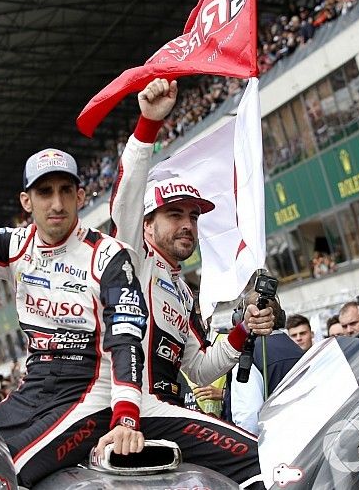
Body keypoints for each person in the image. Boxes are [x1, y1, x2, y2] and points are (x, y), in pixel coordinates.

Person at [0, 133, 150, 486]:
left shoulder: (108, 254)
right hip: (32, 390)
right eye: (44, 192)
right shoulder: (14, 246)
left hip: (88, 393)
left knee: (5, 473)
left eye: (65, 190)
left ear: (80, 196)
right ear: (27, 201)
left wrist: (126, 415)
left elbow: (127, 336)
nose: (57, 203)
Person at [109, 78, 273, 486]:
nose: (188, 225)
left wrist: (243, 330)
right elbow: (126, 197)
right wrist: (148, 125)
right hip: (130, 411)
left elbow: (199, 370)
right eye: (175, 215)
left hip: (168, 409)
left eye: (194, 217)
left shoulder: (183, 292)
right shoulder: (132, 260)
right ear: (147, 225)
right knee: (258, 458)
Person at [229, 293, 304, 435]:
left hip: (271, 447)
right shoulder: (299, 350)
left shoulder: (248, 355)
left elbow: (249, 418)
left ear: (240, 318)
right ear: (281, 316)